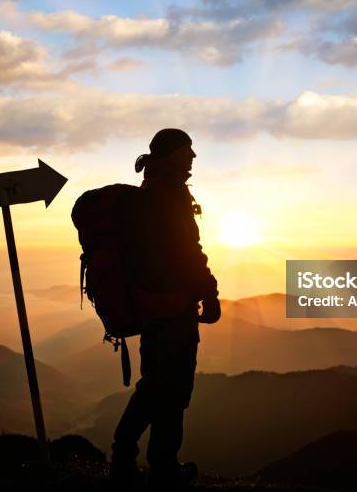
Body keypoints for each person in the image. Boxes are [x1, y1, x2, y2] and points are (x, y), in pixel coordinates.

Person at [109, 128, 221, 490]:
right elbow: (189, 251)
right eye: (188, 150)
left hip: (153, 306)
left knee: (155, 386)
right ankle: (162, 468)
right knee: (173, 390)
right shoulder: (169, 193)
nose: (193, 156)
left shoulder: (151, 189)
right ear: (172, 153)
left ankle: (127, 457)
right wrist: (210, 293)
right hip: (174, 308)